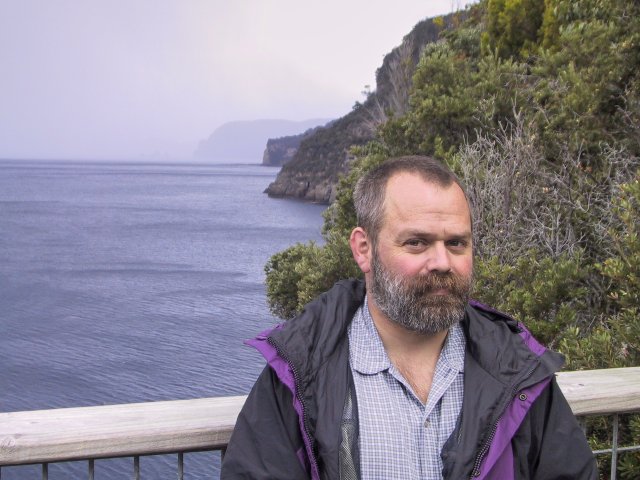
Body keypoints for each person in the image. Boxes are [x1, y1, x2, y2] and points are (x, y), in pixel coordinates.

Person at [221, 155, 597, 479]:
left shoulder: (519, 371)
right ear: (363, 249)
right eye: (416, 242)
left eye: (456, 243)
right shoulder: (300, 372)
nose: (441, 263)